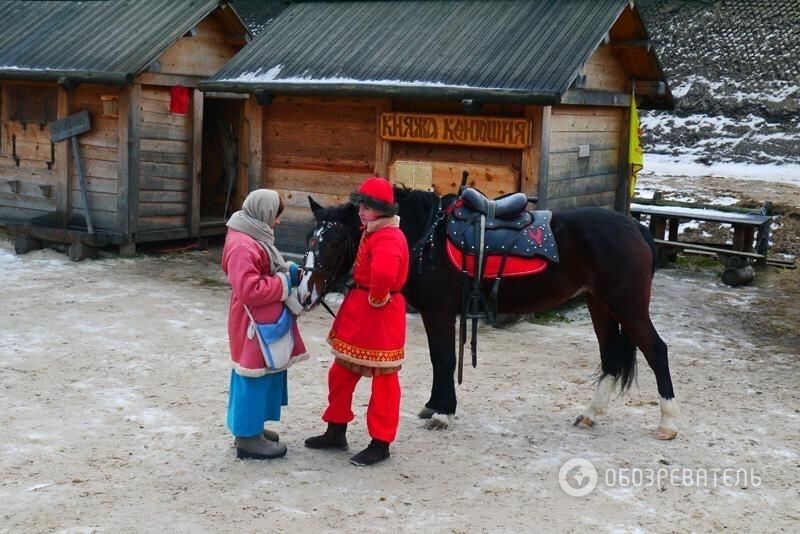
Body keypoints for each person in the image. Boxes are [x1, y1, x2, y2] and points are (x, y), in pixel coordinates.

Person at [305, 177, 410, 466]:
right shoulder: (372, 231)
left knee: (385, 382)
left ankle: (380, 443)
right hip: (360, 311)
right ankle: (336, 429)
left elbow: (385, 275)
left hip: (379, 314)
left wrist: (377, 298)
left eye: (367, 207)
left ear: (383, 210)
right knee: (341, 372)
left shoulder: (388, 237)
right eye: (360, 206)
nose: (361, 212)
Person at [222, 189, 307, 460]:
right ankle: (247, 439)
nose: (278, 221)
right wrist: (284, 283)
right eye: (276, 216)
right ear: (263, 212)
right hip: (252, 325)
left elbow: (262, 271)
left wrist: (287, 270)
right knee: (252, 376)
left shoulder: (252, 233)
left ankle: (252, 428)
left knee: (263, 374)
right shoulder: (243, 244)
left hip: (260, 323)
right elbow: (249, 289)